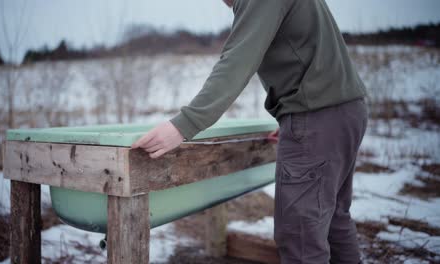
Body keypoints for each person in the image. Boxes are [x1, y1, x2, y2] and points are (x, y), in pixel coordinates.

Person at [132, 0, 368, 263]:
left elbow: (236, 62)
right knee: (333, 218)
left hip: (318, 116)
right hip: (342, 111)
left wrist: (182, 125)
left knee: (301, 236)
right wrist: (296, 118)